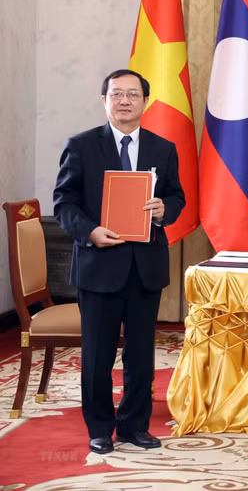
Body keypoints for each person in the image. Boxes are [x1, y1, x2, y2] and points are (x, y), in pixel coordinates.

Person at [53, 69, 185, 455]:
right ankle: (99, 427)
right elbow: (64, 202)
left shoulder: (163, 148)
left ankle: (134, 427)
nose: (124, 100)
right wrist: (90, 231)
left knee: (142, 354)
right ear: (104, 101)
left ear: (146, 101)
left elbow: (177, 197)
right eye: (116, 94)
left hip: (145, 267)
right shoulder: (80, 146)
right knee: (97, 354)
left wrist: (165, 210)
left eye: (132, 94)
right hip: (99, 265)